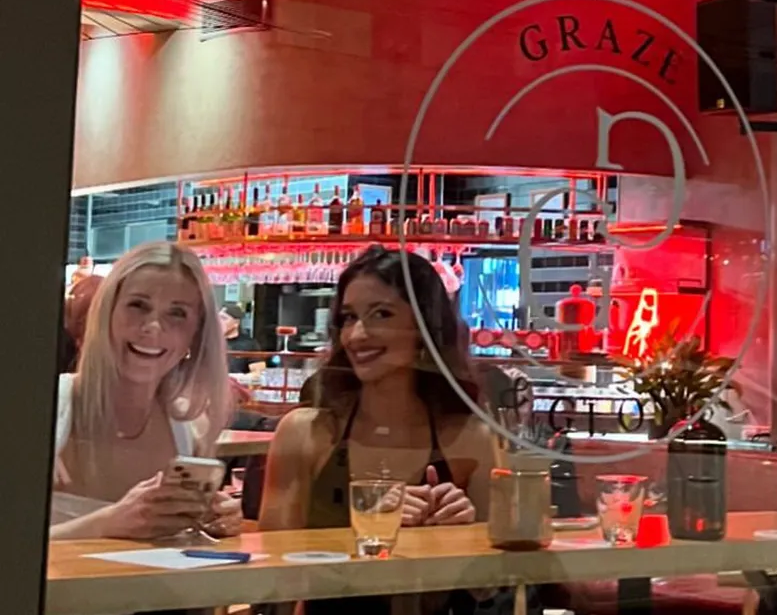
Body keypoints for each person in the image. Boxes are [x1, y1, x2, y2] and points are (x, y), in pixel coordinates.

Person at [260, 246, 497, 615]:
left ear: (424, 327)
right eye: (349, 318)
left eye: (381, 314)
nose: (357, 335)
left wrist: (460, 537)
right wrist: (369, 535)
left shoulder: (472, 437)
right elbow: (274, 578)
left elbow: (487, 587)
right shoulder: (304, 433)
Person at [50, 241, 241, 541]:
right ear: (106, 314)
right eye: (138, 305)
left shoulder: (192, 431)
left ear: (196, 335)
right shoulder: (46, 411)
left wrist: (217, 522)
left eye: (177, 313)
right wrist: (106, 525)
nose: (153, 326)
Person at [220, 303, 261, 373]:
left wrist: (241, 379)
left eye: (224, 318)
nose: (219, 321)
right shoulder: (210, 342)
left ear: (236, 323)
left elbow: (258, 373)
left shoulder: (249, 344)